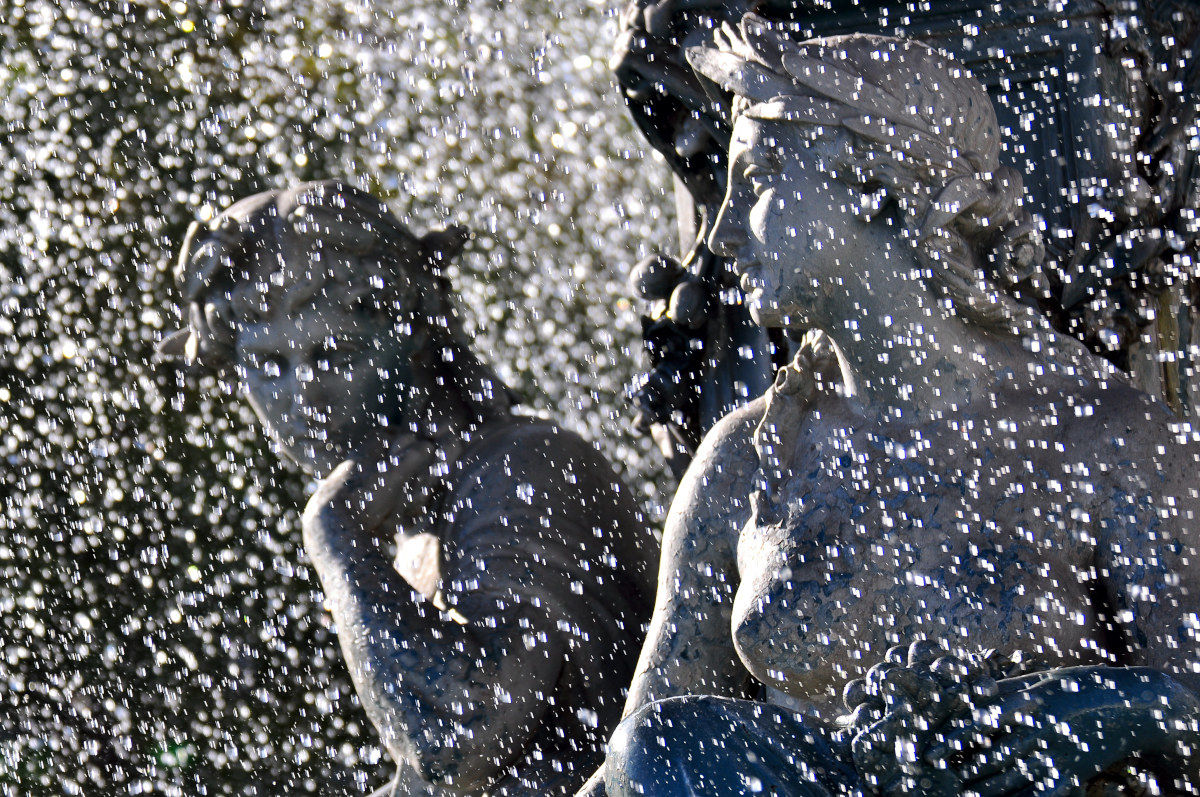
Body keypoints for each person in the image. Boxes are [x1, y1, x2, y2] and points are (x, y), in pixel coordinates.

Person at [588, 19, 1200, 795]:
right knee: (667, 738)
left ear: (879, 185)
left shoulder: (1106, 439)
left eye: (765, 172)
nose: (723, 230)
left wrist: (1089, 708)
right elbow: (629, 766)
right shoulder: (747, 459)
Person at [159, 180, 655, 795]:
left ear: (413, 331)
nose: (303, 397)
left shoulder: (523, 468)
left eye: (334, 352)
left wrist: (333, 537)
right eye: (268, 365)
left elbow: (456, 744)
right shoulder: (416, 523)